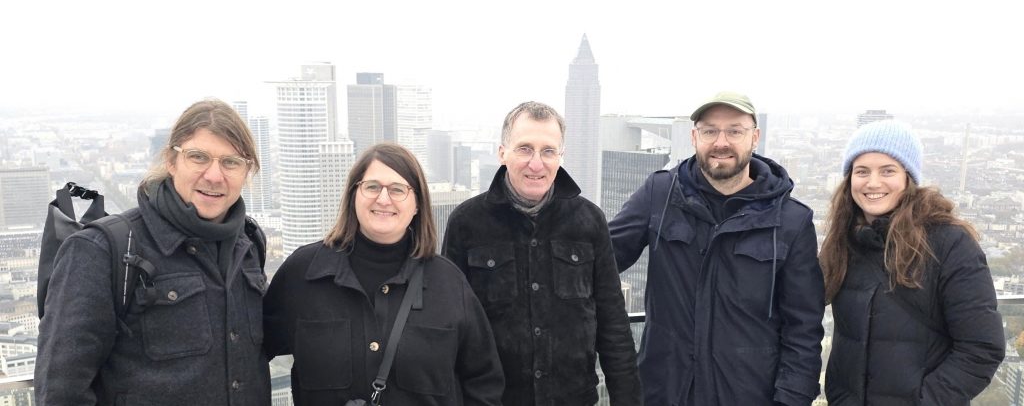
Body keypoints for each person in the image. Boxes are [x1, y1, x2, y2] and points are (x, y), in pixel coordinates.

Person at [35, 99, 271, 405]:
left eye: (231, 162)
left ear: (247, 171)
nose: (215, 176)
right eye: (198, 157)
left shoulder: (249, 244)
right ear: (171, 161)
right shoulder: (104, 249)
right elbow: (61, 391)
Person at [609, 91, 825, 405]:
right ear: (694, 137)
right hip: (664, 394)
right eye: (710, 131)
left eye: (735, 131)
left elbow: (803, 330)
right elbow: (600, 257)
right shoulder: (660, 194)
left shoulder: (791, 221)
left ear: (755, 137)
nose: (721, 142)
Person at [263, 142, 504, 406]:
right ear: (354, 195)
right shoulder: (303, 273)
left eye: (398, 189)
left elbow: (484, 382)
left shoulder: (449, 284)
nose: (383, 199)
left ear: (417, 204)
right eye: (372, 187)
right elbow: (250, 351)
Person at [443, 101, 642, 406]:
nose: (536, 164)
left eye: (548, 151)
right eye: (525, 149)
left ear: (561, 156)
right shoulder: (466, 223)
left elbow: (613, 324)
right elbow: (450, 327)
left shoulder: (589, 221)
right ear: (502, 153)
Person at [820, 120, 1004, 404]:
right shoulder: (843, 242)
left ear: (909, 178)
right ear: (849, 179)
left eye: (888, 170)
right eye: (862, 171)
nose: (873, 182)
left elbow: (981, 348)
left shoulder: (948, 243)